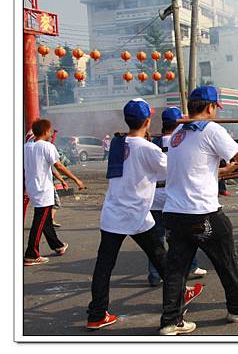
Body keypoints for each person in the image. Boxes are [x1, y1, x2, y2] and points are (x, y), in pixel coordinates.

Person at [160, 86, 238, 336]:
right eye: (215, 107)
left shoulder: (178, 133)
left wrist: (222, 172)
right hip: (201, 213)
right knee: (226, 259)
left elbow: (192, 170)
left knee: (176, 270)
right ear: (210, 107)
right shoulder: (211, 129)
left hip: (174, 213)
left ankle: (171, 320)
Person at [86, 99, 202, 330]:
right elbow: (174, 171)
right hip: (136, 214)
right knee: (161, 257)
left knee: (105, 266)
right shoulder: (148, 149)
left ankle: (97, 313)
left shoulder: (118, 143)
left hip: (112, 213)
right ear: (148, 121)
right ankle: (177, 303)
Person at [147, 107, 209, 287]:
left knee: (156, 239)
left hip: (154, 197)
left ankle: (154, 275)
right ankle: (188, 269)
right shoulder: (181, 143)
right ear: (178, 124)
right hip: (175, 197)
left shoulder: (152, 144)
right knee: (183, 236)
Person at [24, 119, 85, 265]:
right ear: (45, 131)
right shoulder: (48, 146)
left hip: (32, 187)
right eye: (50, 131)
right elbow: (58, 166)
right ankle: (31, 254)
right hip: (43, 190)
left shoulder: (26, 146)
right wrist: (76, 179)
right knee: (39, 222)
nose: (51, 134)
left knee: (45, 221)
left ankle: (57, 245)